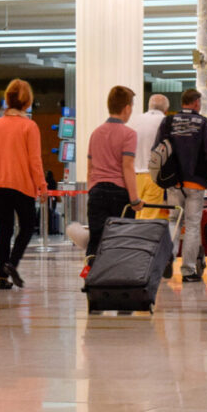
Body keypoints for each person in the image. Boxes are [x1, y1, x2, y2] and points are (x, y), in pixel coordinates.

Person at [0, 79, 48, 290]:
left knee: (4, 229)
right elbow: (34, 161)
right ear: (27, 101)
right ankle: (11, 263)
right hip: (21, 184)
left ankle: (2, 277)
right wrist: (42, 186)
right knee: (27, 226)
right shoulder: (29, 127)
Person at [155, 88, 207, 282]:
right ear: (195, 103)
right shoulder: (203, 123)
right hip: (196, 181)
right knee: (192, 225)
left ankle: (168, 256)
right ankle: (188, 270)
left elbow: (158, 149)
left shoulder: (168, 122)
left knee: (173, 221)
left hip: (173, 181)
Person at [82, 85, 143, 276]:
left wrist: (91, 189)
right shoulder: (128, 134)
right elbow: (127, 166)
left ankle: (91, 275)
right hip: (119, 195)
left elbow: (90, 168)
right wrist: (134, 200)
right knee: (122, 240)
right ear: (126, 108)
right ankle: (118, 278)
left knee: (96, 237)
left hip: (97, 192)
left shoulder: (96, 133)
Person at [131, 94, 170, 220]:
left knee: (137, 215)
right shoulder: (165, 121)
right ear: (166, 110)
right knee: (149, 218)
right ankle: (143, 240)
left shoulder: (134, 120)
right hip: (154, 175)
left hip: (134, 176)